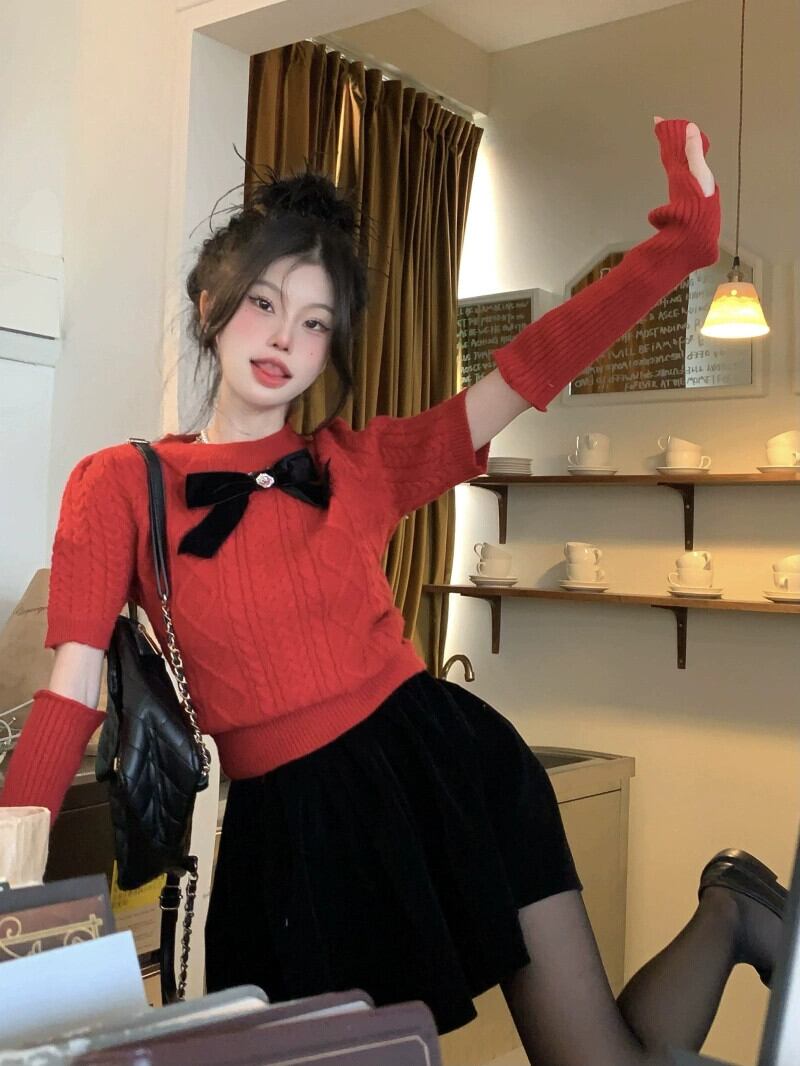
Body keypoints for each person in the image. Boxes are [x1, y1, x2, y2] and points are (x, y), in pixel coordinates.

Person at [1, 119, 787, 1066]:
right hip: (285, 839)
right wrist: (10, 875)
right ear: (210, 300)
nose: (284, 338)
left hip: (447, 776)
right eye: (263, 302)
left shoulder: (358, 465)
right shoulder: (118, 485)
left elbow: (530, 367)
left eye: (315, 322)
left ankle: (729, 910)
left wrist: (679, 249)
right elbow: (69, 692)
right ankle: (737, 907)